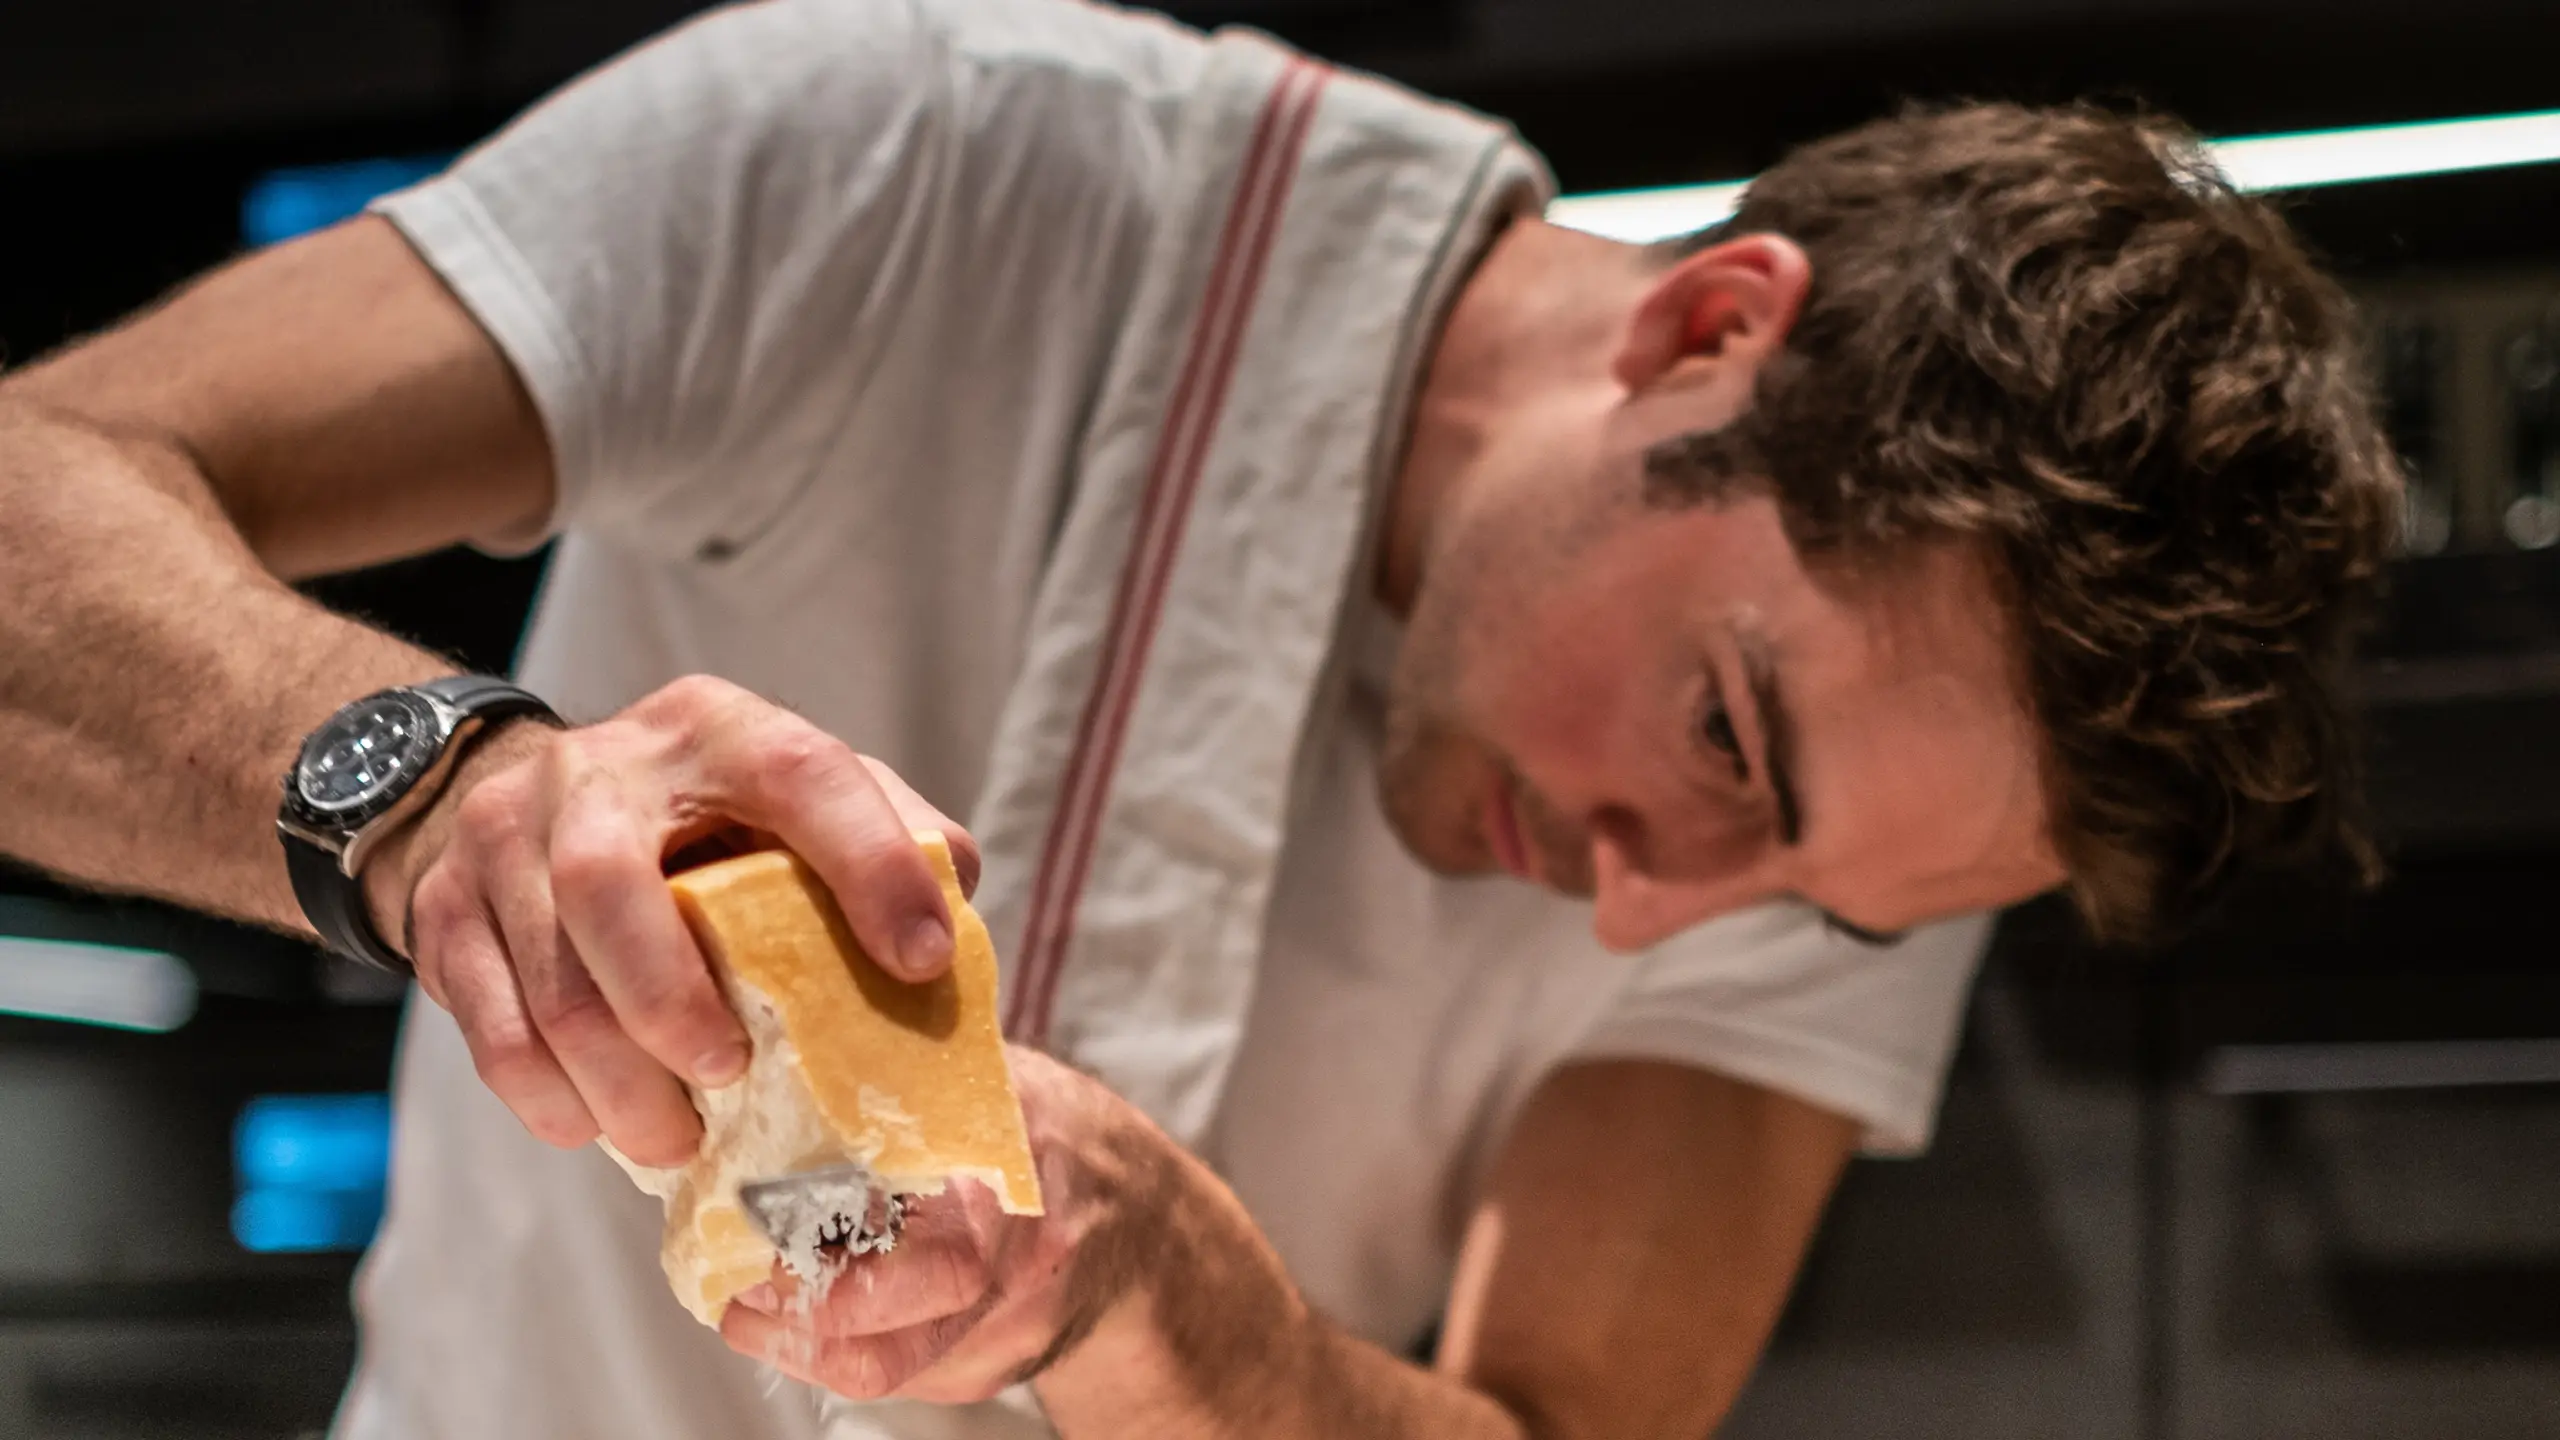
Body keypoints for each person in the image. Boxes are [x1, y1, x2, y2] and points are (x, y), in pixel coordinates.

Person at [0, 0, 2399, 1434]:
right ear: (1704, 338)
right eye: (1722, 753)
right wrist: (450, 803)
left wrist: (1164, 1295)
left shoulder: (1874, 783)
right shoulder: (913, 166)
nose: (1661, 913)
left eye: (1807, 897)